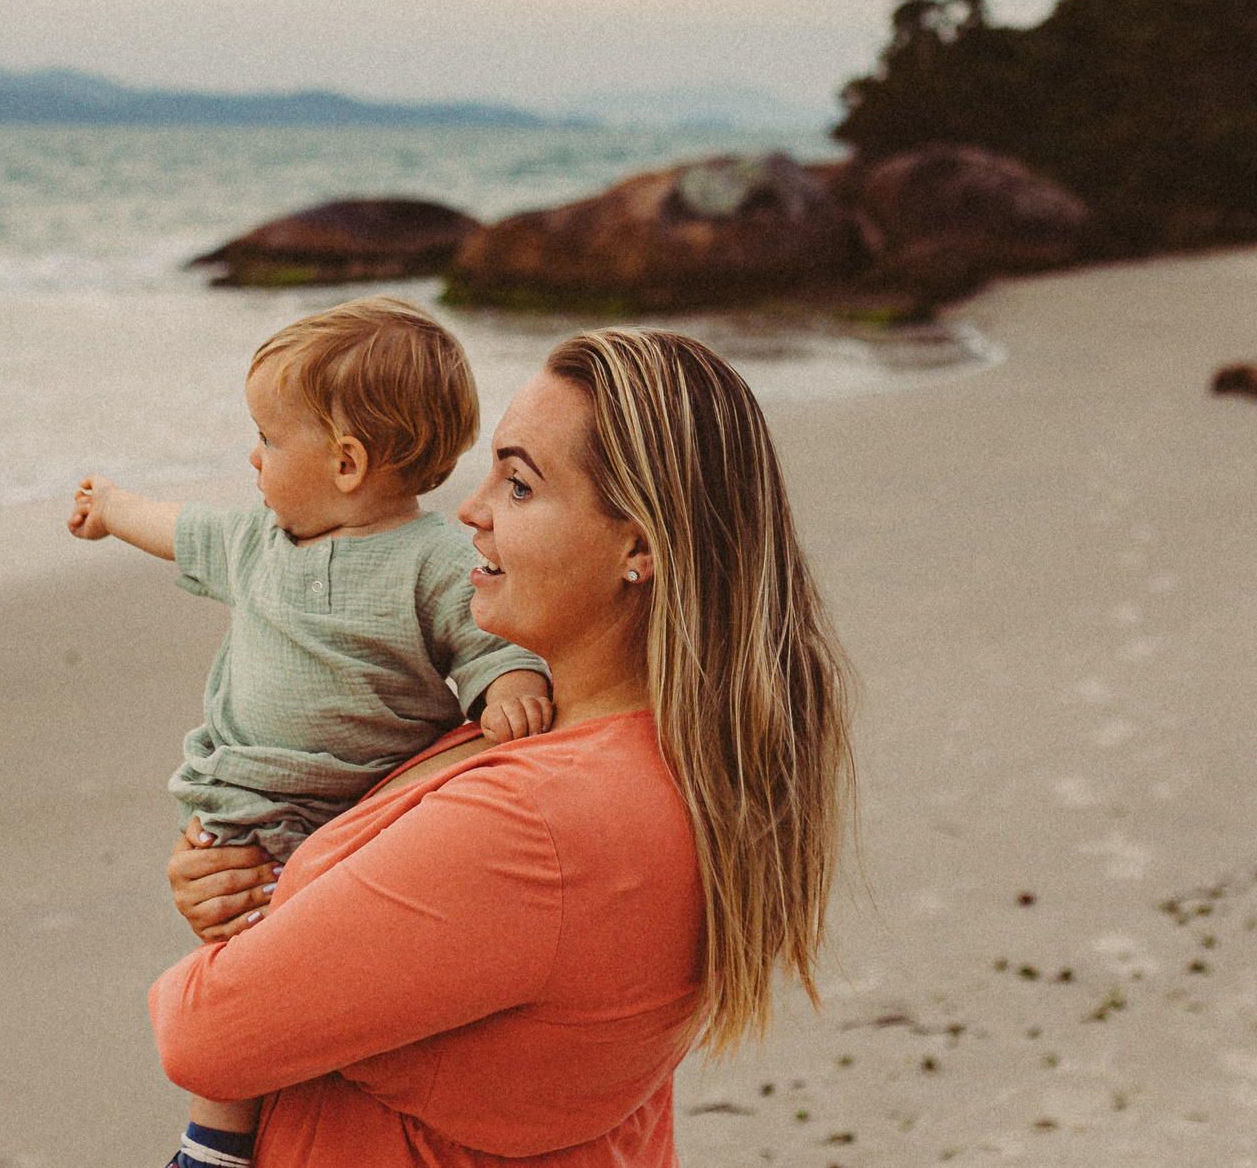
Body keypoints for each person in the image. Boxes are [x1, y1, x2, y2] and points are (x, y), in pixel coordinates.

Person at [151, 327, 855, 1165]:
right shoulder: (603, 738)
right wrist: (240, 880)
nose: (470, 509)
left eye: (519, 485)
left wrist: (260, 946)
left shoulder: (538, 821)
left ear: (639, 548)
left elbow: (203, 1032)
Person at [67, 296, 556, 1167]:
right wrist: (113, 506)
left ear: (346, 462)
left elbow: (485, 641)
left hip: (363, 811)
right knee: (239, 955)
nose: (253, 457)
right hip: (244, 798)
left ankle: (281, 1103)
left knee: (298, 969)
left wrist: (509, 685)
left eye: (268, 438)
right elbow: (177, 529)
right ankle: (214, 1139)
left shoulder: (432, 558)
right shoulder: (255, 542)